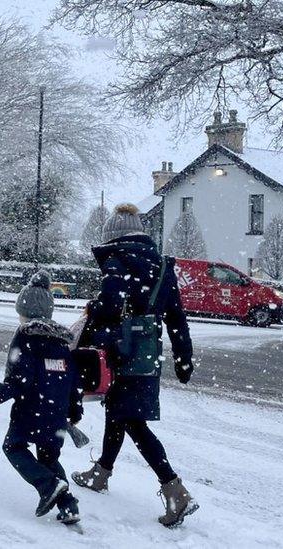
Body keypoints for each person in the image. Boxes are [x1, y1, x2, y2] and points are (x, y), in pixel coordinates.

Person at [70, 203, 199, 528]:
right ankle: (101, 473)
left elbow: (111, 305)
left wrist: (95, 310)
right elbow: (178, 320)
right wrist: (184, 360)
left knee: (132, 422)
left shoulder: (117, 261)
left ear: (113, 237)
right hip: (147, 353)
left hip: (120, 353)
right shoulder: (163, 266)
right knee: (120, 413)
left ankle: (174, 489)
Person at [0, 271, 84, 526]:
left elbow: (21, 377)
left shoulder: (25, 335)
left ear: (25, 312)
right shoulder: (62, 341)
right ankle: (68, 504)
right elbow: (73, 379)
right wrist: (74, 409)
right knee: (49, 458)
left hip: (31, 410)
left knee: (13, 447)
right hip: (57, 413)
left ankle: (49, 486)